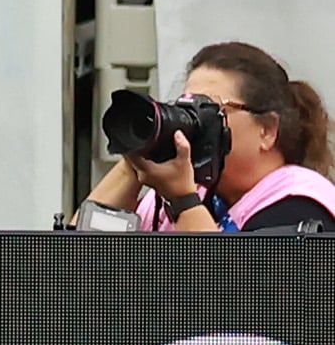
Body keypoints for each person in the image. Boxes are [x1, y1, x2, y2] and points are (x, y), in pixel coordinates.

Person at [77, 42, 335, 233]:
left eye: (210, 111)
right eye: (186, 109)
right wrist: (136, 158)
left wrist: (183, 203)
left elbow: (236, 298)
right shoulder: (193, 194)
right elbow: (71, 265)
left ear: (266, 129)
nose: (194, 128)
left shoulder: (300, 205)